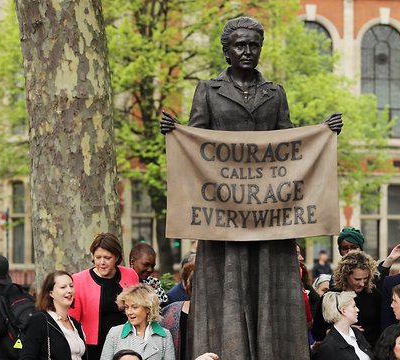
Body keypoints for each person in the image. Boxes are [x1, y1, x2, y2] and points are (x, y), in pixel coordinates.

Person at [160, 16, 342, 360]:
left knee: (268, 286)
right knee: (228, 284)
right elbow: (196, 143)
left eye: (253, 45)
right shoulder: (208, 91)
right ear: (227, 51)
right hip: (224, 218)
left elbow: (291, 147)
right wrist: (176, 133)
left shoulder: (275, 94)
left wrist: (323, 132)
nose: (247, 51)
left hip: (270, 218)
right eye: (240, 45)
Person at [69, 233, 140, 360]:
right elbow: (73, 321)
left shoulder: (130, 275)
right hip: (93, 348)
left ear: (117, 257)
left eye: (107, 258)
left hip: (127, 344)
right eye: (98, 257)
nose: (102, 262)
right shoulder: (78, 280)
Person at [313, 251, 382, 346]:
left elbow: (382, 327)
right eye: (357, 279)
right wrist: (344, 329)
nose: (362, 283)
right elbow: (317, 333)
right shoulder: (331, 296)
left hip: (370, 350)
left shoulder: (373, 294)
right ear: (345, 275)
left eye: (365, 278)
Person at [20, 270, 87, 359]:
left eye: (71, 286)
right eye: (63, 287)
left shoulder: (76, 325)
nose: (69, 290)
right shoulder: (39, 321)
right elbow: (27, 357)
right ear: (51, 293)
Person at [100, 283, 175, 360]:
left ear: (148, 308)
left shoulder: (164, 336)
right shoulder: (115, 333)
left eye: (134, 307)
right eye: (126, 307)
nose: (129, 312)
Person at [314, 291, 372, 360]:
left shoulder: (357, 333)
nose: (357, 310)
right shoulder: (329, 347)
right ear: (343, 311)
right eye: (354, 306)